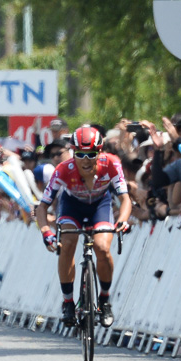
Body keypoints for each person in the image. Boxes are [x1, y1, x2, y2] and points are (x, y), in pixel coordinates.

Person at [35, 125, 132, 329]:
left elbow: (125, 199)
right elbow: (42, 207)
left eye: (91, 154)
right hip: (72, 207)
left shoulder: (112, 163)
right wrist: (46, 233)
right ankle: (68, 302)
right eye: (80, 154)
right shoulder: (63, 169)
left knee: (103, 248)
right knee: (67, 244)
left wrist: (122, 220)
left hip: (100, 204)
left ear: (100, 151)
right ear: (72, 152)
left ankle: (104, 300)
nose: (86, 160)